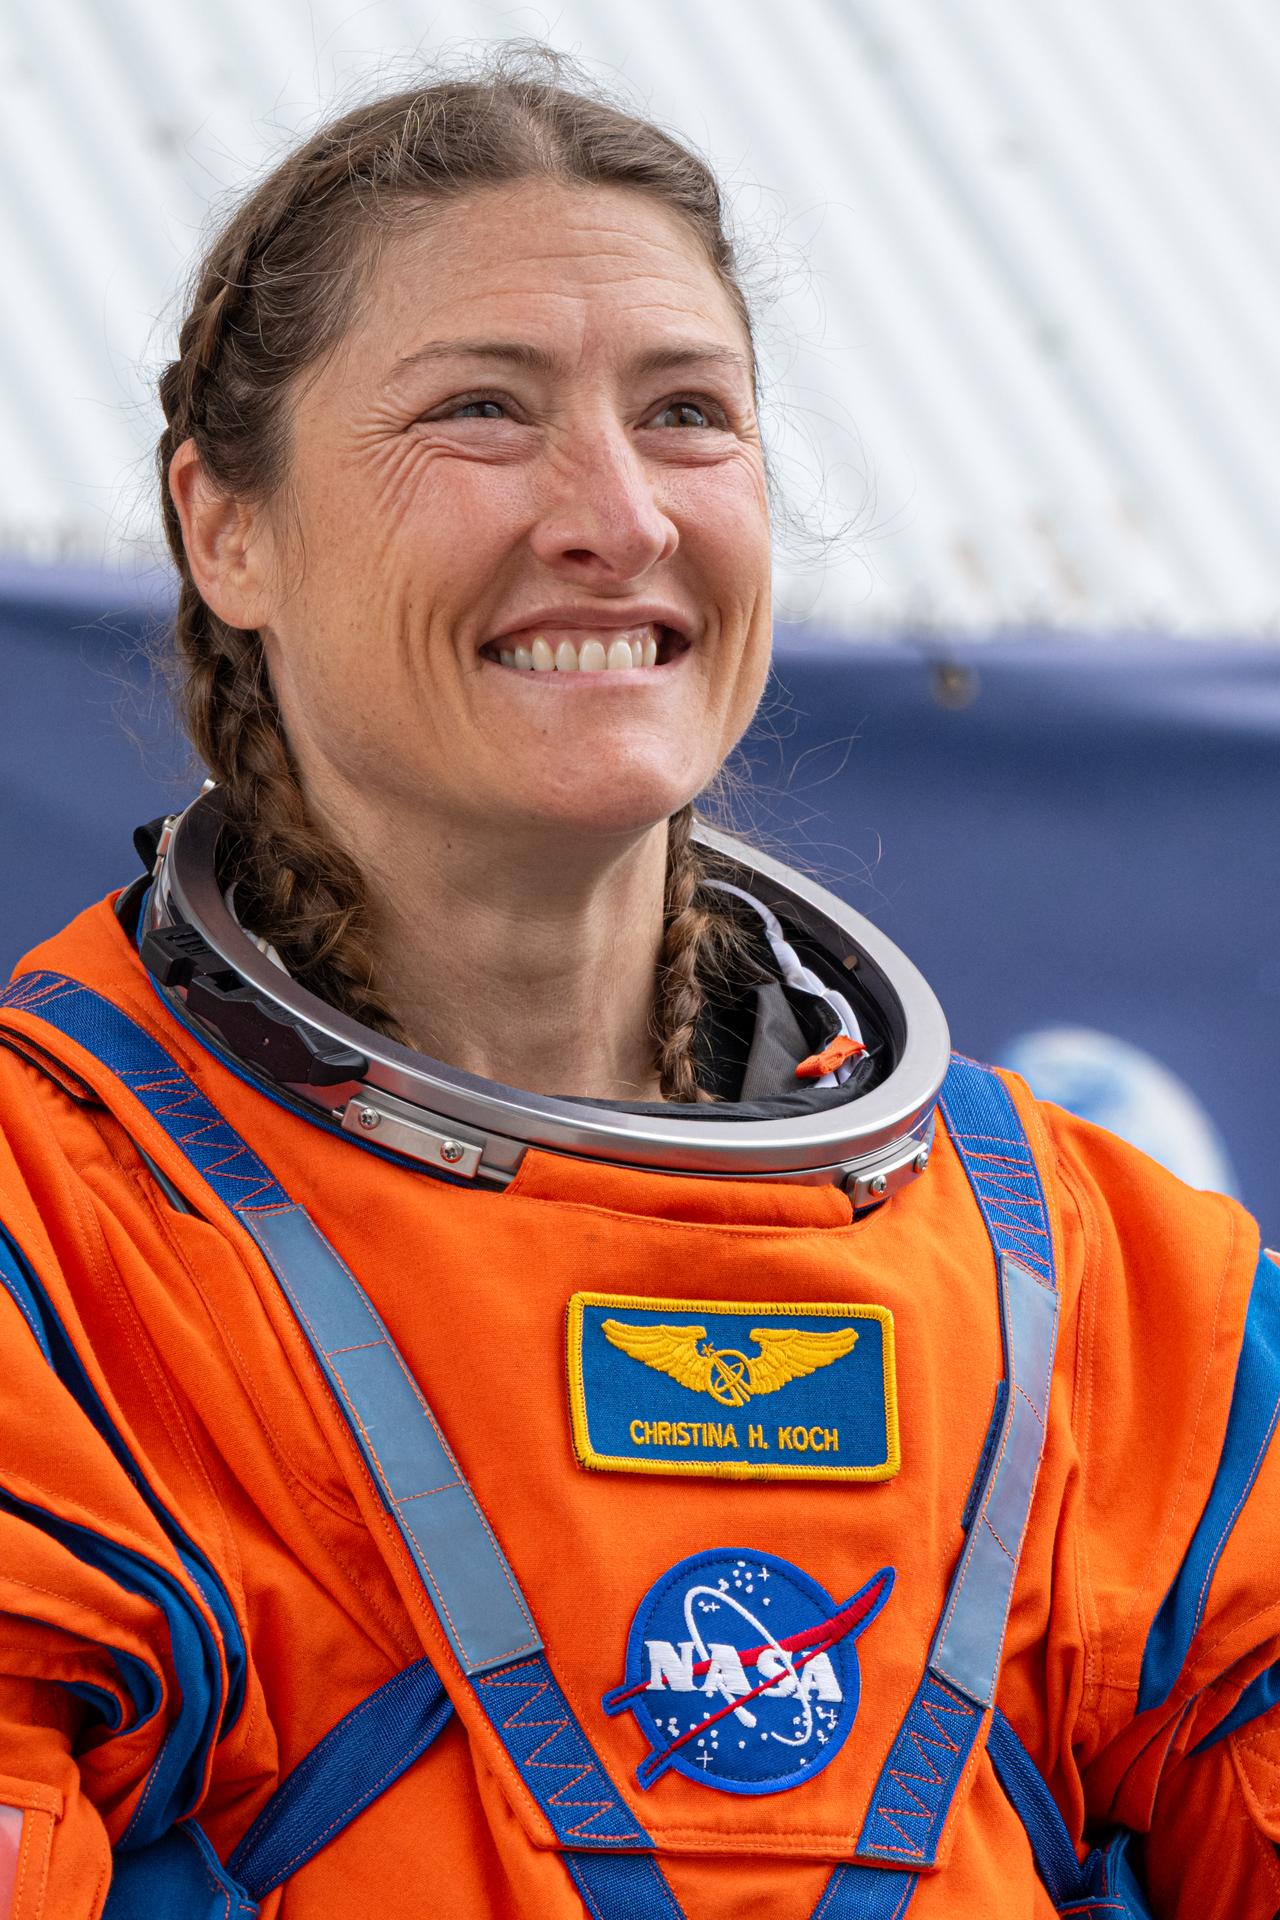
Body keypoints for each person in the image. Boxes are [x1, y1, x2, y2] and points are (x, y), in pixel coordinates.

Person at [0, 51, 1276, 1920]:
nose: (618, 516)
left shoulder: (1111, 1309)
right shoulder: (60, 1249)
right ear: (226, 529)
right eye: (482, 413)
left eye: (687, 415)